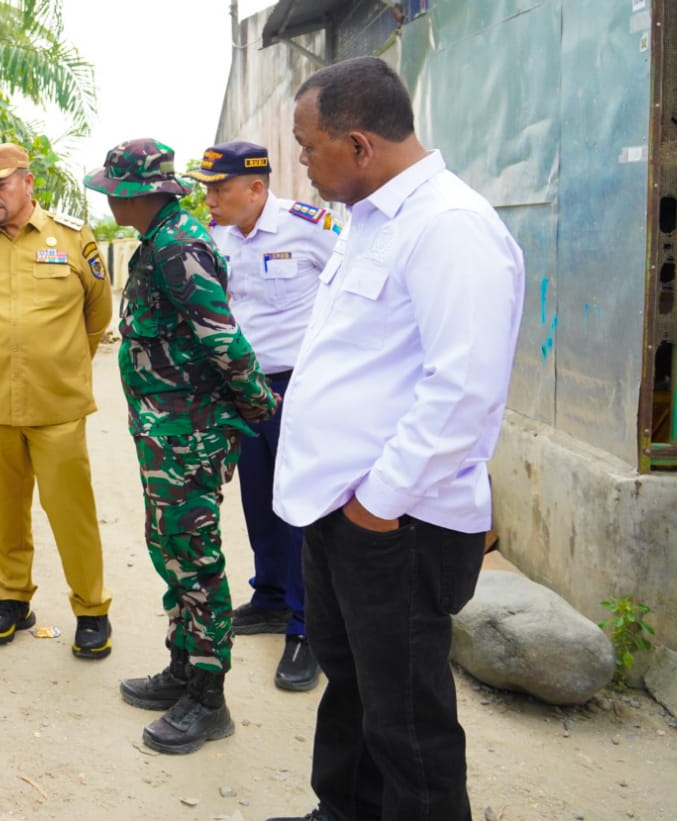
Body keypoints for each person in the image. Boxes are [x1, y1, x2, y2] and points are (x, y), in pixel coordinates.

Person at [267, 56, 524, 821]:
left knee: (408, 721)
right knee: (353, 687)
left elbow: (464, 390)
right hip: (344, 512)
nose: (304, 164)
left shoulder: (451, 227)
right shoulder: (370, 217)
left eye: (308, 147)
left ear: (357, 144)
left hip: (398, 523)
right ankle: (344, 812)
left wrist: (377, 505)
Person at [85, 138, 278, 754]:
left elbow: (224, 341)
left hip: (188, 435)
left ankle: (209, 696)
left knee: (196, 558)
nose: (108, 198)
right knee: (171, 551)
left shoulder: (178, 248)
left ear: (139, 192)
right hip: (165, 433)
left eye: (114, 189)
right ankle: (183, 668)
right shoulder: (159, 242)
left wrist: (258, 411)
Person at [0, 143, 115, 658]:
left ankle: (91, 609)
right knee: (6, 511)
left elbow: (97, 313)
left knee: (71, 513)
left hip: (56, 407)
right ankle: (13, 599)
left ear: (28, 181)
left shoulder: (71, 237)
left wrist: (60, 363)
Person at [192, 139, 339, 693]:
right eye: (206, 187)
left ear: (256, 187)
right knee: (258, 501)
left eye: (218, 187)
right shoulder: (218, 237)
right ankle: (273, 598)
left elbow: (350, 290)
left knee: (299, 507)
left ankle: (307, 629)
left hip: (298, 388)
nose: (209, 198)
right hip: (242, 391)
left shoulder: (310, 226)